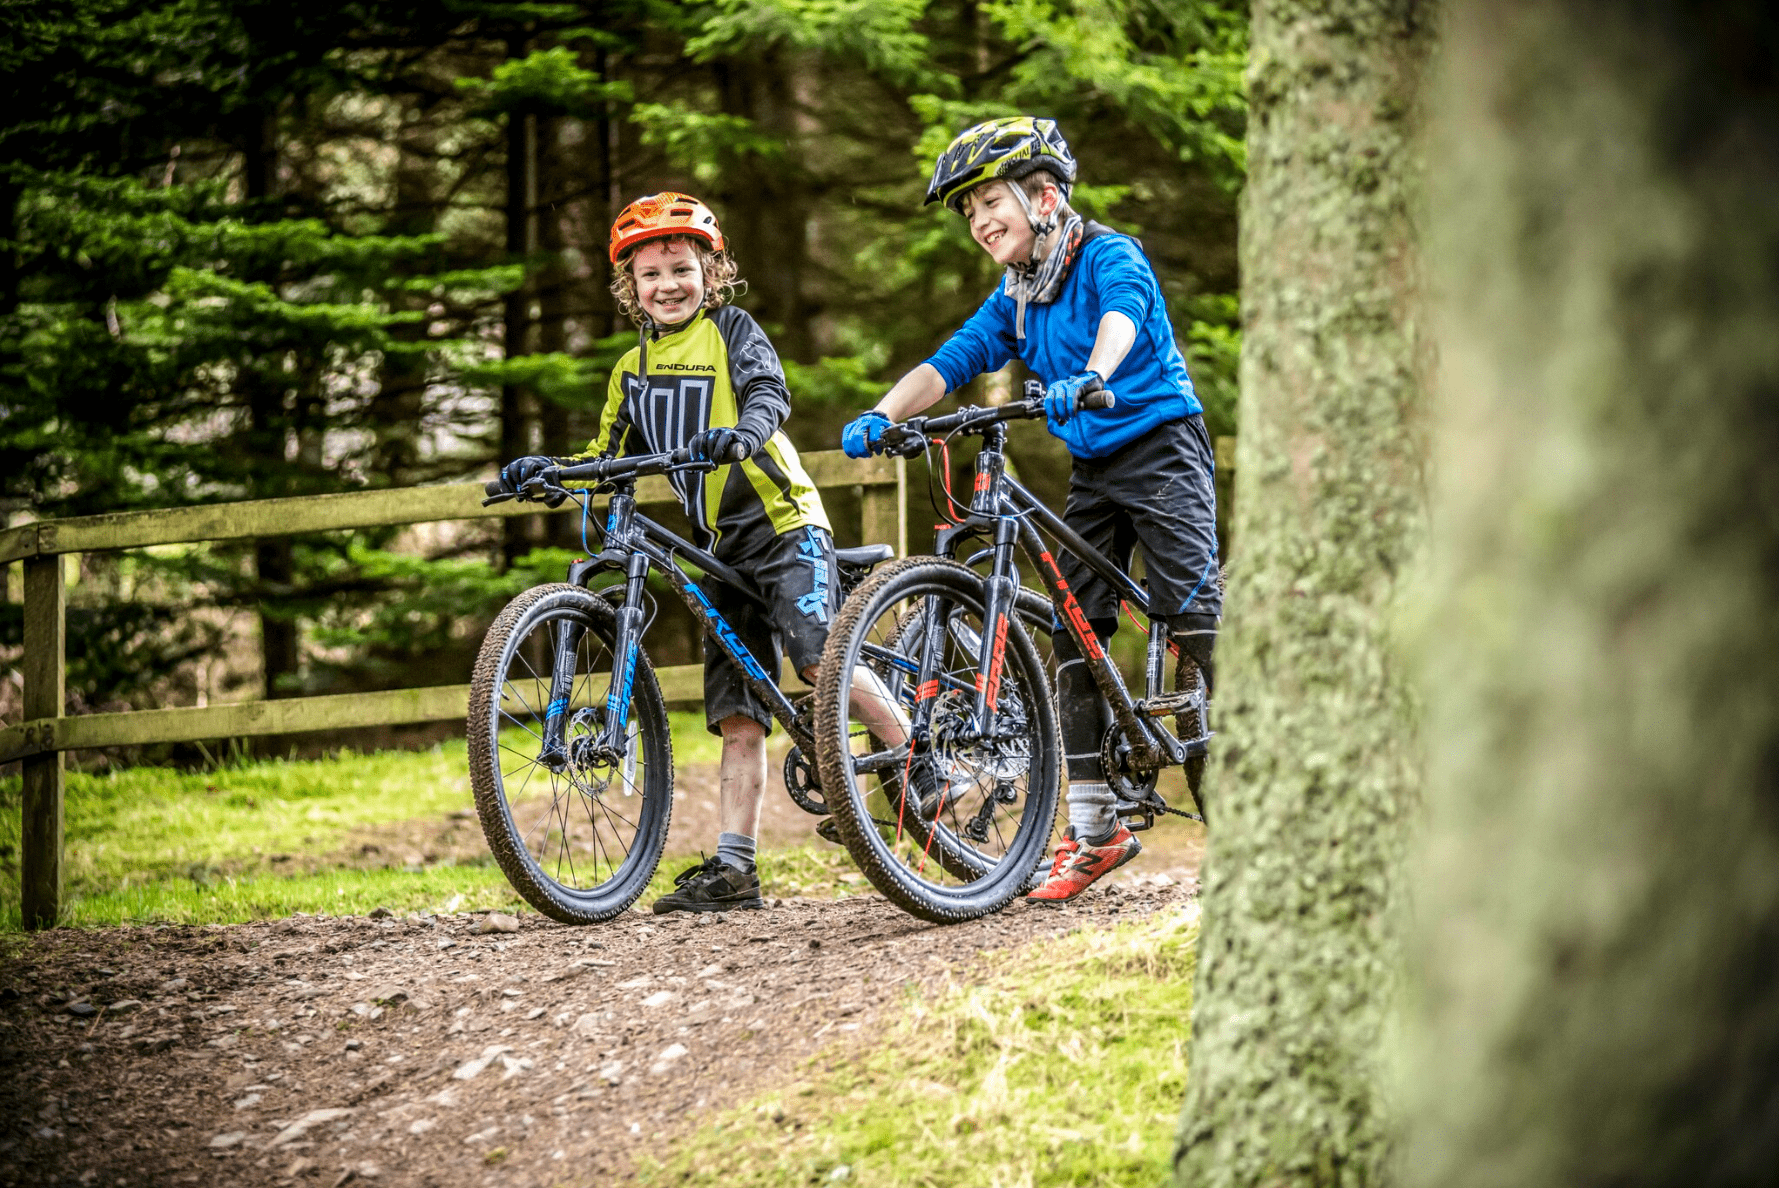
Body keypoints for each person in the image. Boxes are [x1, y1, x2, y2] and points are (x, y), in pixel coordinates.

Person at [840, 117, 1222, 903]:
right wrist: (884, 413)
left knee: (1191, 613)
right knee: (1073, 633)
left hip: (1161, 448)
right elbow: (953, 360)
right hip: (1094, 466)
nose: (980, 223)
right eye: (970, 213)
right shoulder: (1014, 297)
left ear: (1044, 196)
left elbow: (1123, 313)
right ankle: (1094, 832)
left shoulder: (1108, 255)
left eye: (991, 203)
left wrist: (1091, 373)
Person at [500, 191, 900, 913]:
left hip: (782, 525)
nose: (668, 285)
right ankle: (735, 868)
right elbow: (606, 454)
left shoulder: (732, 330)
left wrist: (745, 432)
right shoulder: (631, 368)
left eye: (681, 269)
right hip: (718, 547)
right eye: (650, 275)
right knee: (737, 716)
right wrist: (550, 472)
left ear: (710, 274)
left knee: (819, 661)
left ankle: (913, 761)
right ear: (630, 288)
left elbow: (767, 393)